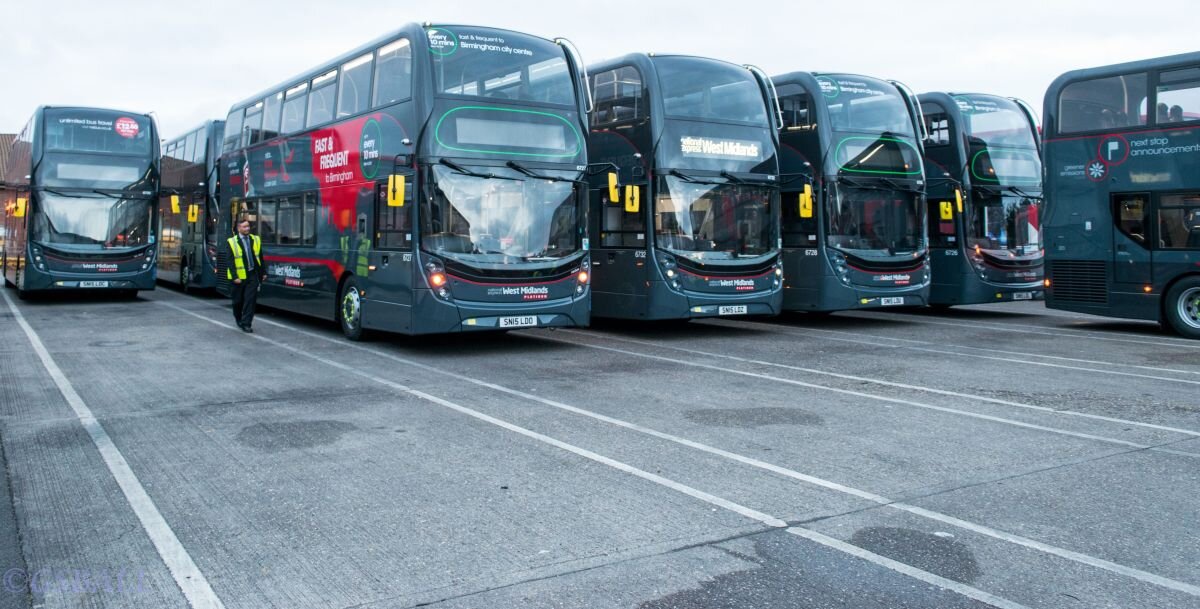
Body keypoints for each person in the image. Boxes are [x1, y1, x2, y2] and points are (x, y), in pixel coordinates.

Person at [224, 218, 266, 332]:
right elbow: (230, 261)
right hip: (238, 277)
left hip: (252, 275)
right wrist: (234, 276)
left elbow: (260, 257)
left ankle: (247, 323)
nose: (247, 228)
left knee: (250, 300)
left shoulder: (255, 239)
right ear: (239, 228)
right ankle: (239, 319)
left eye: (248, 226)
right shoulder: (231, 242)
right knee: (237, 301)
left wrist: (263, 273)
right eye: (244, 227)